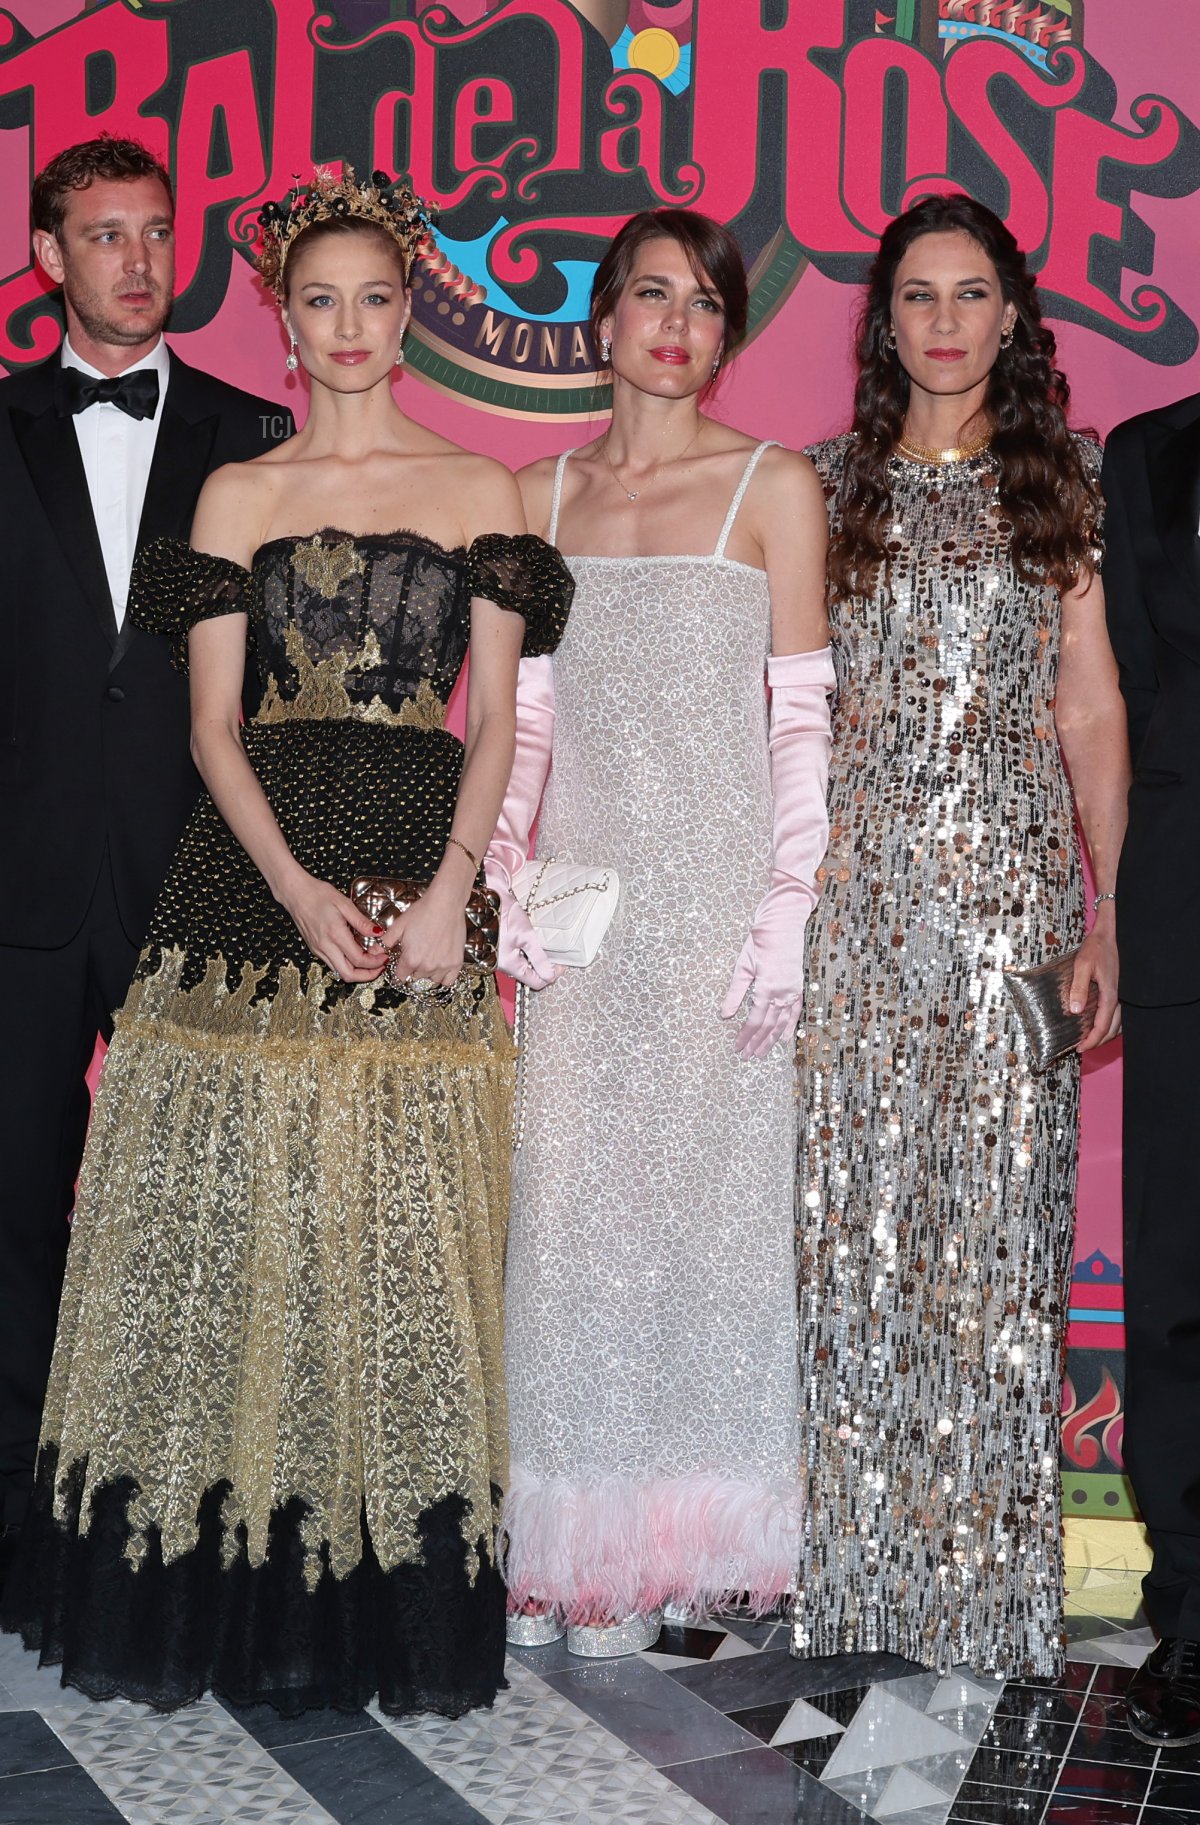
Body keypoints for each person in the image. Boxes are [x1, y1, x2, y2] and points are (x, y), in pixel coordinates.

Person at [1, 167, 572, 1718]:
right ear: (283, 312)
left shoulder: (488, 489)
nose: (346, 328)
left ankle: (389, 1608)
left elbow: (504, 715)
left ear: (410, 308)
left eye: (374, 299)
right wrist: (300, 887)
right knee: (230, 1230)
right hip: (250, 876)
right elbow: (208, 726)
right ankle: (228, 1599)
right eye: (316, 301)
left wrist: (454, 883)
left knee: (402, 1240)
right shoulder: (236, 491)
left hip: (423, 872)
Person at [791, 193, 1129, 1679]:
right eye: (917, 294)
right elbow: (785, 713)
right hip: (854, 921)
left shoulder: (1066, 484)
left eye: (970, 293)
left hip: (1017, 926)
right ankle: (852, 1578)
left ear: (1011, 317)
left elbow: (1093, 707)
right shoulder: (821, 485)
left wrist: (1103, 908)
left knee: (997, 1258)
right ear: (885, 320)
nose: (942, 319)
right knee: (854, 1241)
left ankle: (988, 1587)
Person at [491, 207, 833, 1655]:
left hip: (718, 920)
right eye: (650, 295)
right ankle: (571, 1557)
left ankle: (681, 1554)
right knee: (573, 1228)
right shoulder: (534, 494)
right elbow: (522, 720)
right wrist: (506, 873)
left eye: (704, 303)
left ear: (725, 332)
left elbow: (804, 721)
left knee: (705, 1237)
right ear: (604, 322)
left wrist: (788, 915)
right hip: (583, 909)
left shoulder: (775, 486)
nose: (676, 324)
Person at [0, 136, 285, 1592]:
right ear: (49, 256)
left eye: (155, 231)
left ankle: (197, 1544)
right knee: (13, 1211)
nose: (135, 258)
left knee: (209, 1213)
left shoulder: (256, 436)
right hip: (24, 893)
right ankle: (22, 1541)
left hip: (202, 874)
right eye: (103, 233)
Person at [1103, 392, 1200, 1744]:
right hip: (1186, 902)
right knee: (1178, 1285)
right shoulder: (1148, 453)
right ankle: (1190, 1611)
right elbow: (1124, 683)